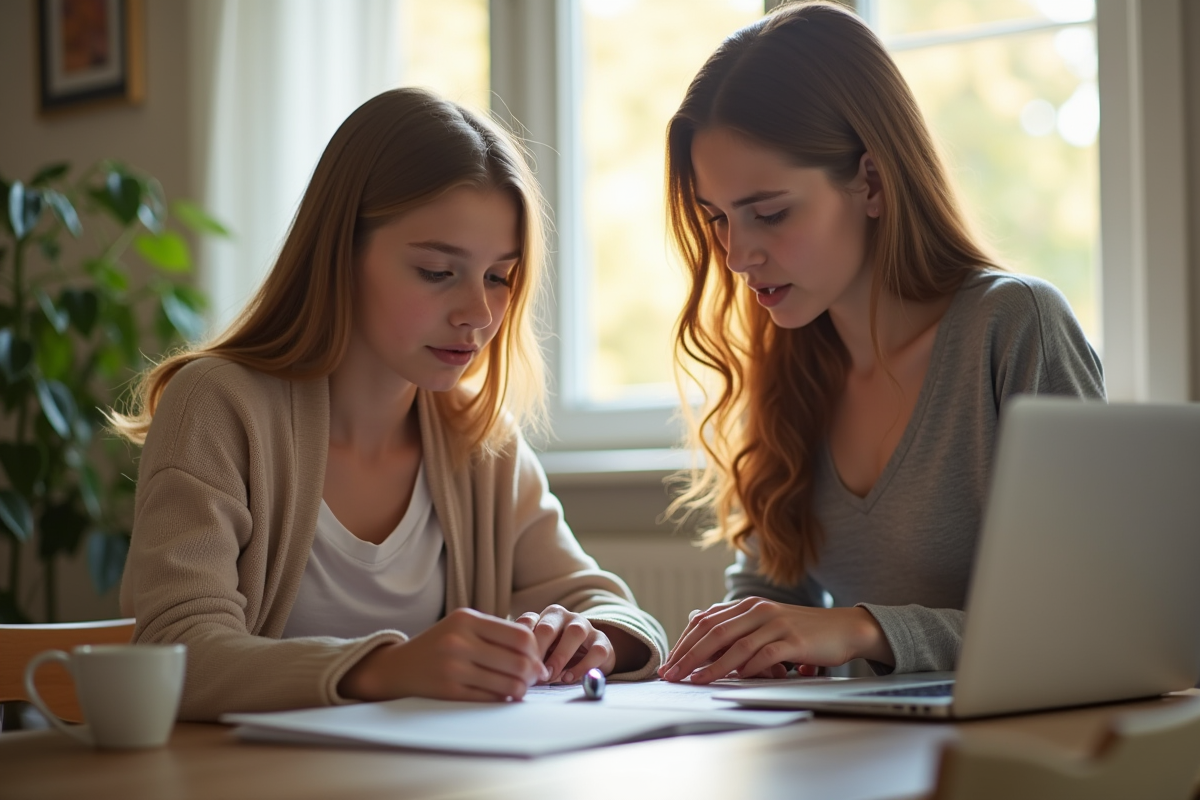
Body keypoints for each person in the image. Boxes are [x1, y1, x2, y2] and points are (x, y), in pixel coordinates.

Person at [112, 88, 667, 721]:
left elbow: (610, 605)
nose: (478, 314)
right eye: (437, 271)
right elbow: (175, 648)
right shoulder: (217, 406)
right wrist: (387, 669)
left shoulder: (481, 439)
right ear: (340, 252)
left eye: (498, 277)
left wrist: (593, 639)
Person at [657, 1, 1104, 684]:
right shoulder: (789, 360)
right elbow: (775, 592)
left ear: (869, 181)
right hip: (861, 752)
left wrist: (862, 627)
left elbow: (1081, 625)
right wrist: (745, 641)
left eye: (769, 213)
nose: (737, 254)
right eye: (715, 218)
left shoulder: (1013, 326)